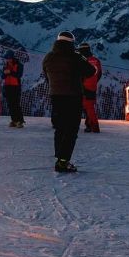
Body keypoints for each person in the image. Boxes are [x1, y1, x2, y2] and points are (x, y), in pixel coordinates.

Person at [42, 31, 97, 173]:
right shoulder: (75, 57)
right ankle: (63, 161)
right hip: (73, 96)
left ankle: (59, 157)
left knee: (60, 127)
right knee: (71, 129)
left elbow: (46, 75)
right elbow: (91, 71)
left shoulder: (48, 57)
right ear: (71, 42)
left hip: (55, 95)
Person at [78, 42, 102, 133]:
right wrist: (94, 82)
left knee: (84, 107)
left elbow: (79, 73)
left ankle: (94, 126)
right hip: (93, 87)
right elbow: (99, 74)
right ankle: (90, 125)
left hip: (83, 86)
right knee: (90, 106)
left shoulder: (82, 60)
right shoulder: (96, 60)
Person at [2, 51, 25, 128]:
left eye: (8, 58)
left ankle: (20, 121)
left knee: (16, 104)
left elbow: (19, 75)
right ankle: (14, 120)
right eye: (7, 58)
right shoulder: (6, 65)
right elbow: (3, 76)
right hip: (8, 86)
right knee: (10, 104)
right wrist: (5, 73)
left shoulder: (19, 65)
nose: (7, 60)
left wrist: (10, 72)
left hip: (15, 87)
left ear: (12, 58)